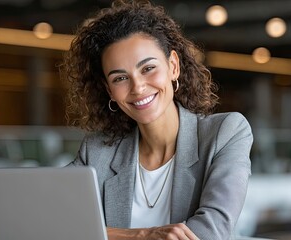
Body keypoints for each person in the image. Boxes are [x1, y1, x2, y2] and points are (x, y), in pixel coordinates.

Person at [63, 0, 253, 239]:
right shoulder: (98, 152)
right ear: (109, 90)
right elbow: (54, 222)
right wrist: (140, 235)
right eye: (120, 78)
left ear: (173, 66)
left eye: (148, 68)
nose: (138, 87)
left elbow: (211, 231)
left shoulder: (226, 133)